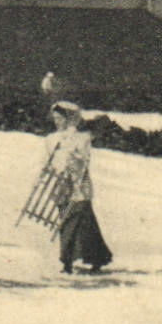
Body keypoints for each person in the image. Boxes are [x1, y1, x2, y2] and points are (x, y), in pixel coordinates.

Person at [45, 100, 112, 274]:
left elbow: (83, 161)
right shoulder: (51, 139)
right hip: (61, 185)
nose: (57, 122)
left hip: (78, 186)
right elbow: (50, 162)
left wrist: (71, 160)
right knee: (67, 222)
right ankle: (68, 261)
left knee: (80, 223)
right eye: (55, 118)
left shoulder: (82, 138)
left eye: (60, 118)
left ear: (69, 119)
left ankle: (92, 259)